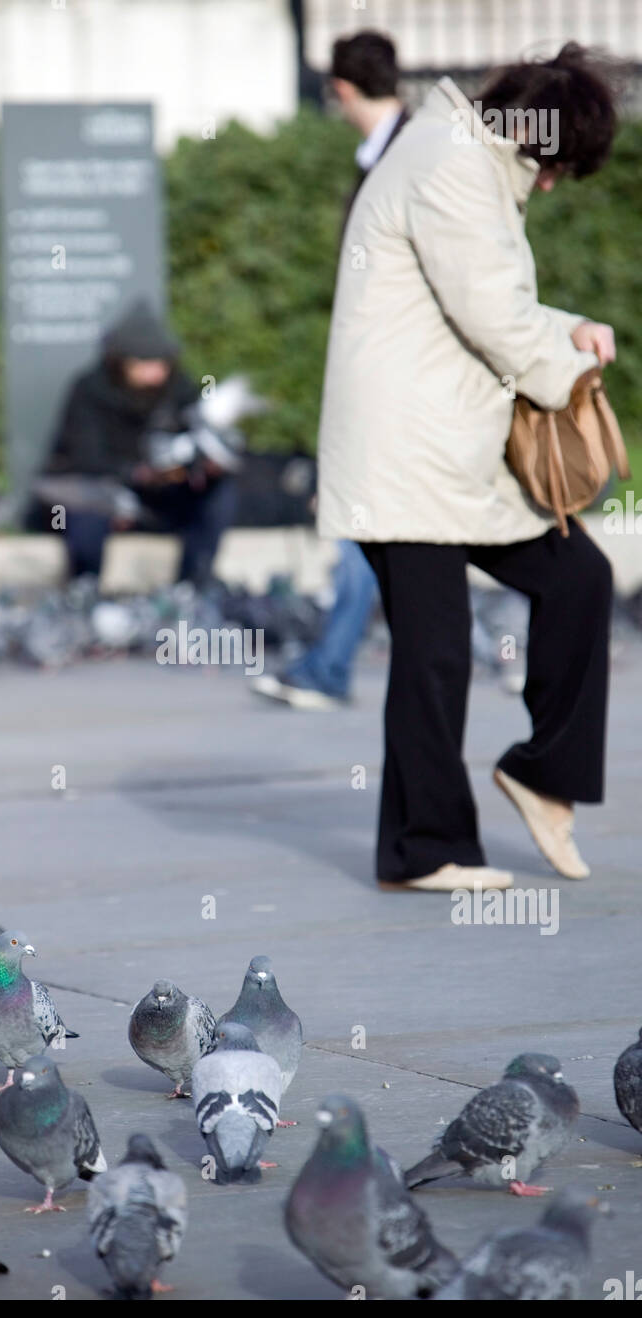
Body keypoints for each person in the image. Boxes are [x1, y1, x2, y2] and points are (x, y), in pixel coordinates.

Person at [317, 44, 619, 890]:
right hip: (406, 458)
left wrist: (569, 328)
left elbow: (483, 299)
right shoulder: (454, 166)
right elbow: (490, 310)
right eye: (558, 166)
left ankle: (540, 772)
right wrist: (572, 368)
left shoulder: (459, 154)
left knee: (577, 581)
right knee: (435, 652)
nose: (554, 184)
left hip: (443, 453)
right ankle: (426, 849)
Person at [252, 30, 407, 711]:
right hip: (391, 370)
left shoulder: (401, 158)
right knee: (386, 533)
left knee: (362, 521)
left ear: (340, 89)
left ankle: (330, 667)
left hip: (395, 375)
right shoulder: (398, 151)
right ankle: (332, 664)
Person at [41, 300, 237, 587]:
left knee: (218, 496)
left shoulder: (179, 389)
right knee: (86, 510)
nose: (154, 372)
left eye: (160, 363)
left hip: (163, 496)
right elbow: (84, 457)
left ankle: (195, 585)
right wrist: (137, 473)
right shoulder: (90, 391)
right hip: (106, 489)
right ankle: (85, 590)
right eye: (144, 363)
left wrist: (200, 467)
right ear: (121, 361)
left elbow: (196, 436)